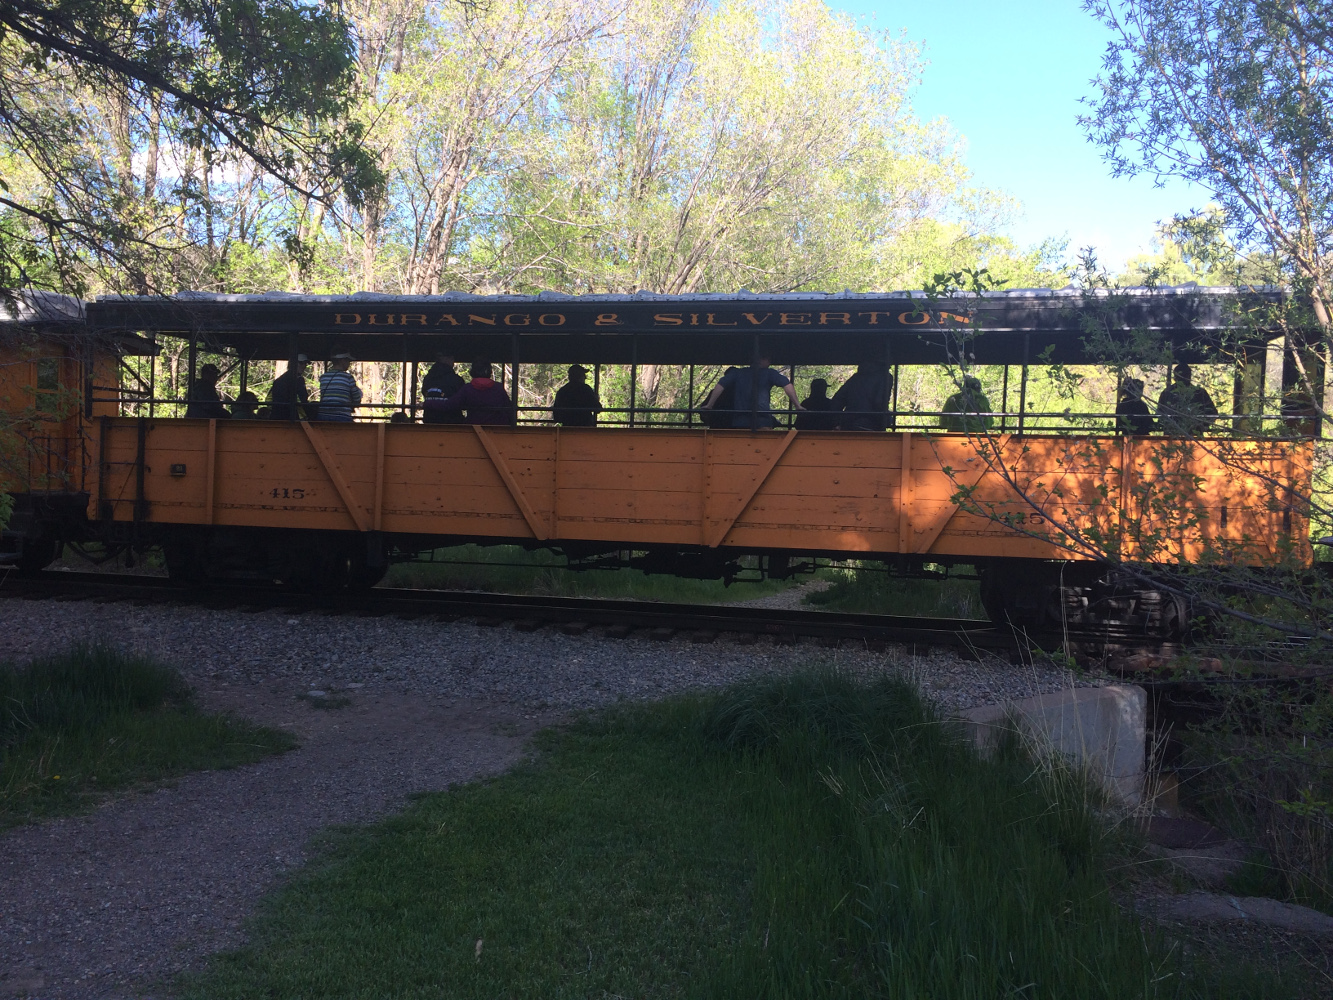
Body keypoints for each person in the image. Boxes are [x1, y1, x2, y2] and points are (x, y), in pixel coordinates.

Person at [702, 356, 802, 429]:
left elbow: (721, 384)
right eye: (768, 359)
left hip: (740, 423)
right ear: (762, 359)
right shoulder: (769, 373)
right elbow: (787, 384)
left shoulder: (737, 373)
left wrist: (710, 405)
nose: (769, 362)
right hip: (762, 421)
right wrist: (798, 406)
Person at [425, 358, 513, 425]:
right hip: (496, 428)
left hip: (473, 428)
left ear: (472, 371)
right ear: (489, 371)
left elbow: (449, 405)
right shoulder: (498, 388)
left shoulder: (468, 389)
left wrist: (427, 403)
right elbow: (509, 408)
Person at [1156, 364, 1217, 436]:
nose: (1183, 378)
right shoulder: (1167, 393)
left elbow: (1212, 413)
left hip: (1193, 434)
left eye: (1185, 375)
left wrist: (1201, 426)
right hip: (1172, 433)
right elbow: (1160, 414)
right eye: (1181, 376)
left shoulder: (1199, 393)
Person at [830, 364, 892, 431]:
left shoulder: (855, 378)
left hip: (848, 422)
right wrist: (886, 419)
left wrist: (836, 422)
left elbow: (837, 399)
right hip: (871, 423)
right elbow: (879, 402)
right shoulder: (885, 377)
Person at [318, 352, 363, 422]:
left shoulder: (323, 377)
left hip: (323, 416)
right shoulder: (348, 377)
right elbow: (356, 399)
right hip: (342, 416)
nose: (349, 363)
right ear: (342, 361)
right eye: (348, 361)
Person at [421, 353, 466, 424]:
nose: (453, 361)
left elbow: (424, 393)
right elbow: (463, 399)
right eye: (451, 358)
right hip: (452, 422)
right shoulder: (456, 380)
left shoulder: (427, 379)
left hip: (429, 421)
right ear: (444, 359)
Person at [268, 354, 312, 420]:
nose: (304, 366)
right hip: (291, 419)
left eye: (305, 363)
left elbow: (269, 400)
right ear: (292, 364)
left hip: (276, 417)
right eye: (301, 363)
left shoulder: (279, 380)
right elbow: (302, 399)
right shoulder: (298, 380)